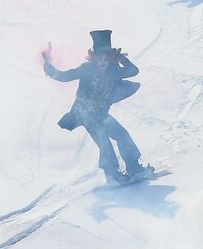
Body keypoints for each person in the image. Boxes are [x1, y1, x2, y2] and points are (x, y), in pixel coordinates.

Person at [43, 29, 148, 184]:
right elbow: (65, 76)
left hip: (101, 114)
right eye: (99, 56)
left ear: (111, 57)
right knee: (103, 141)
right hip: (84, 114)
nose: (103, 60)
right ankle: (112, 176)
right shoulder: (86, 69)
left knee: (122, 134)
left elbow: (133, 71)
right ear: (94, 57)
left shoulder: (114, 70)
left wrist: (122, 60)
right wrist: (48, 67)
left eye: (106, 56)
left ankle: (134, 167)